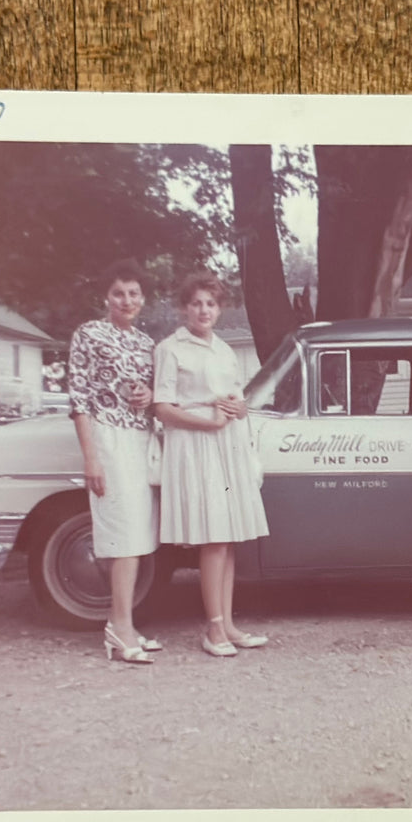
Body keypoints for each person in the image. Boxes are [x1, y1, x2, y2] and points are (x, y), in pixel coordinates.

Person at [153, 273, 270, 657]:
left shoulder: (223, 349)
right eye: (197, 303)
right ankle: (213, 629)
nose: (204, 310)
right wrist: (210, 422)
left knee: (229, 537)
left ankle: (228, 624)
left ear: (219, 309)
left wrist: (237, 407)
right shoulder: (171, 349)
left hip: (226, 443)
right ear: (184, 307)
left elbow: (234, 397)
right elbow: (163, 408)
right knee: (214, 537)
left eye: (211, 304)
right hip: (196, 445)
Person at [68, 260, 161, 665]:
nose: (127, 300)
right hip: (107, 436)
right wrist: (92, 457)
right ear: (107, 296)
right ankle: (118, 627)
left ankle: (125, 623)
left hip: (139, 438)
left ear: (143, 299)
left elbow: (154, 393)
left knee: (138, 534)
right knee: (121, 532)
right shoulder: (89, 334)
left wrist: (149, 396)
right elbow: (79, 398)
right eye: (120, 293)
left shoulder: (146, 343)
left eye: (134, 294)